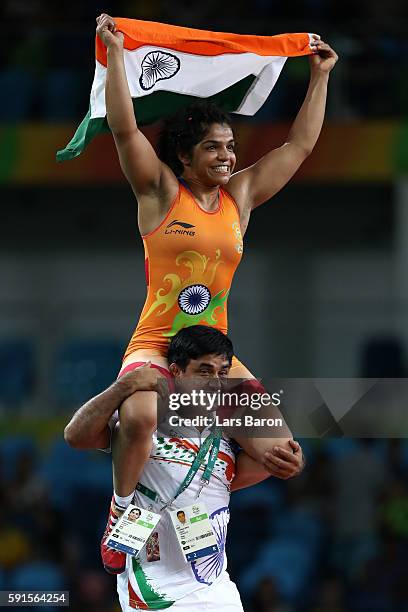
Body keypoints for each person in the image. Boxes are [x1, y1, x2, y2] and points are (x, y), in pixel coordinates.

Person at [65, 326, 304, 610]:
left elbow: (262, 466)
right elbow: (75, 435)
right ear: (177, 372)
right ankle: (117, 511)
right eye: (204, 371)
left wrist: (291, 462)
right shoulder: (148, 423)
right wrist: (123, 386)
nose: (216, 382)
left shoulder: (227, 434)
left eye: (222, 373)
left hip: (214, 585)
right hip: (153, 587)